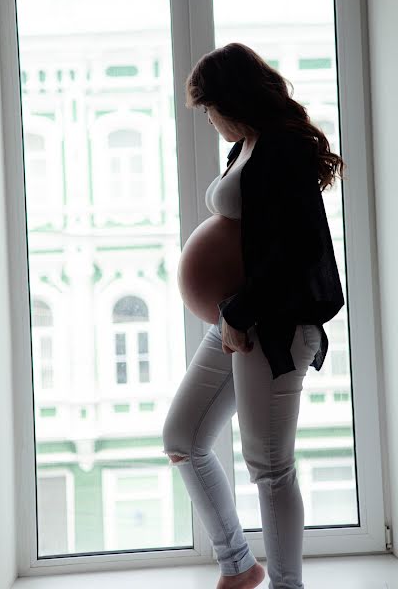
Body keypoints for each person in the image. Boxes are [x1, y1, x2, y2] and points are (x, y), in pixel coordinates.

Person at [162, 42, 346, 589]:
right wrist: (232, 313)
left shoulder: (282, 148)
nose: (211, 121)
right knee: (183, 436)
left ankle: (287, 585)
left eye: (210, 110)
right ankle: (240, 567)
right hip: (237, 322)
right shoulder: (246, 145)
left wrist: (240, 310)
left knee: (270, 467)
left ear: (232, 100)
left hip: (273, 327)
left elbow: (299, 247)